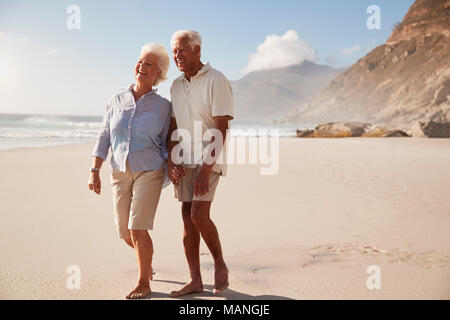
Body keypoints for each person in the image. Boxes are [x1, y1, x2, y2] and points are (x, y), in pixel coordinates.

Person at [88, 43, 172, 299]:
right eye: (140, 61)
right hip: (119, 171)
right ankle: (147, 263)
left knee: (138, 228)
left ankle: (144, 281)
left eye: (148, 64)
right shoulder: (116, 100)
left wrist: (174, 166)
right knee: (124, 231)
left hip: (150, 170)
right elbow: (105, 135)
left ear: (157, 73)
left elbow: (170, 139)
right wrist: (95, 169)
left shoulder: (163, 106)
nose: (142, 66)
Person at [167, 29, 233, 297]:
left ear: (197, 50)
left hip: (209, 157)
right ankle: (195, 279)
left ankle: (220, 264)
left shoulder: (217, 80)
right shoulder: (175, 85)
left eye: (182, 50)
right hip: (184, 157)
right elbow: (172, 124)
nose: (177, 56)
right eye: (174, 51)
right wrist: (172, 158)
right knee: (186, 217)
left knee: (198, 214)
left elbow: (221, 128)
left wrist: (206, 169)